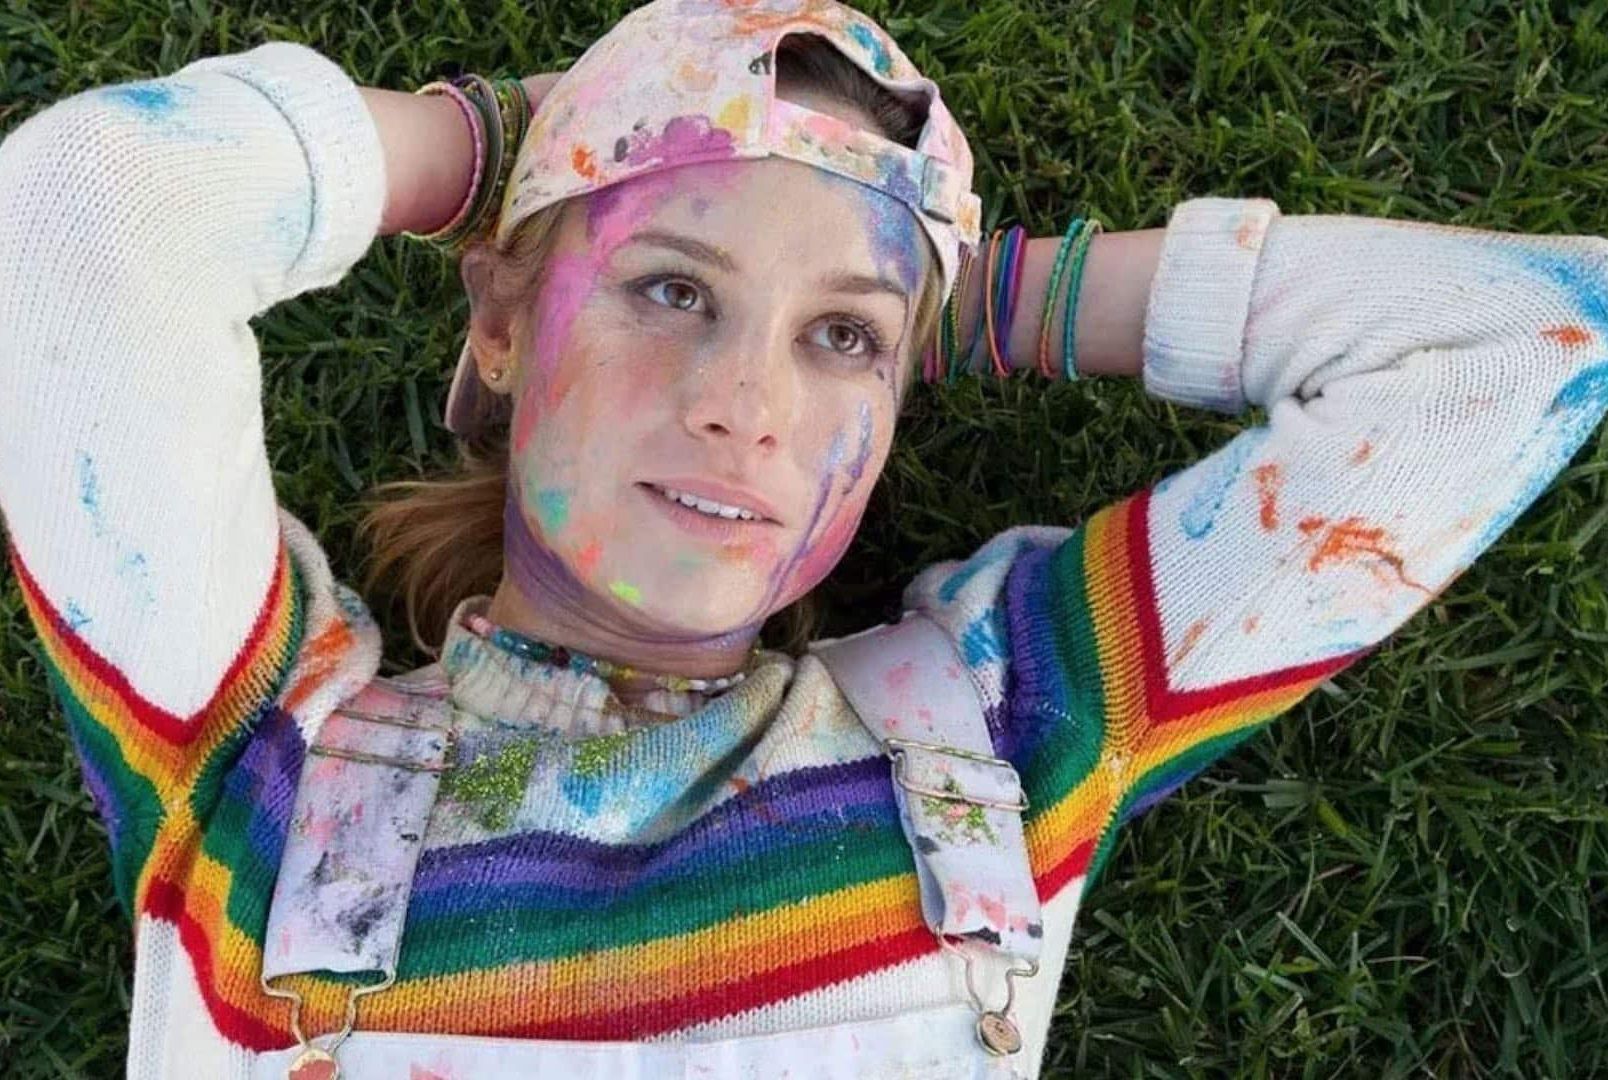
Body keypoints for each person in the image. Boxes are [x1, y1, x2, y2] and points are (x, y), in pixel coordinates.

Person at [1, 0, 1604, 1077]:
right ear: (501, 327)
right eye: (670, 289)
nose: (746, 408)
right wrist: (487, 153)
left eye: (841, 341)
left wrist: (977, 293)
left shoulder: (1003, 736)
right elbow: (76, 214)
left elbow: (1521, 344)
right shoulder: (254, 759)